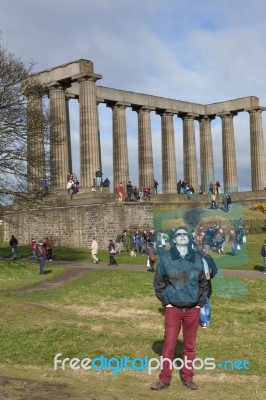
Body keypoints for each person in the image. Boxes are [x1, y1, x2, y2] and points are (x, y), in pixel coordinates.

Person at [151, 227, 208, 391]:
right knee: (169, 345)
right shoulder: (165, 259)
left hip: (192, 309)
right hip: (173, 309)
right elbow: (158, 283)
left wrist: (199, 303)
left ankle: (188, 377)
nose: (182, 237)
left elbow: (203, 283)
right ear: (174, 239)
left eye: (185, 234)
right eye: (179, 235)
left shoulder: (197, 259)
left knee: (189, 346)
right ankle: (164, 379)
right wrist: (166, 302)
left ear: (189, 239)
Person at [198, 254, 218, 328]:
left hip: (198, 282)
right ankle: (207, 319)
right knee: (207, 301)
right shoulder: (208, 256)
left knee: (201, 301)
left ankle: (204, 321)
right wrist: (209, 276)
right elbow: (215, 270)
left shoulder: (193, 256)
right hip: (207, 282)